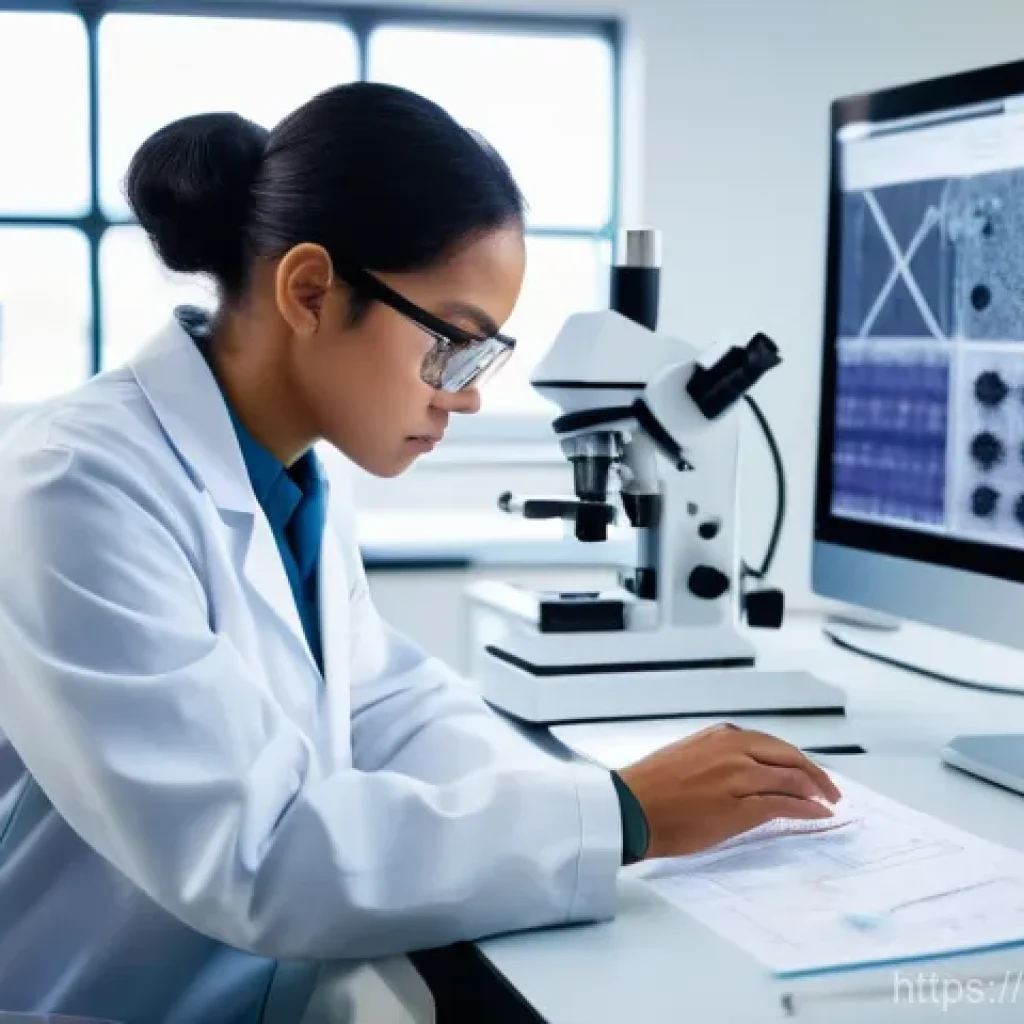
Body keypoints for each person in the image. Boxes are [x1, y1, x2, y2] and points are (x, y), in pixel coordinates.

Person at [0, 82, 840, 1024]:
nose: (469, 396)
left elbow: (391, 703)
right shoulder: (74, 484)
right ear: (310, 290)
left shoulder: (294, 473)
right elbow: (255, 856)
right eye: (454, 344)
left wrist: (592, 798)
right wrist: (623, 815)